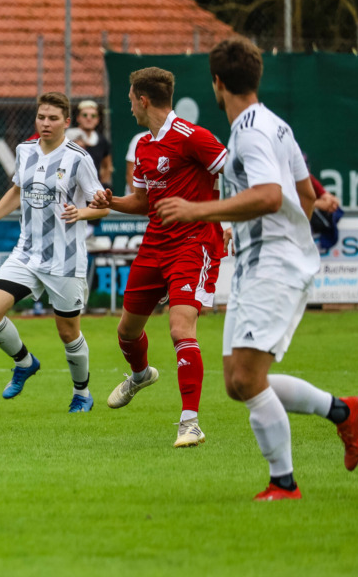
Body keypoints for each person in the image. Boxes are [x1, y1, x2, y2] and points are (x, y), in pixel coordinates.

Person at [153, 37, 358, 500]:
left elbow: (271, 195)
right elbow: (305, 196)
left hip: (271, 264)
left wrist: (198, 211)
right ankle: (343, 411)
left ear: (217, 83)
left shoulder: (250, 132)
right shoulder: (274, 124)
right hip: (260, 262)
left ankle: (283, 484)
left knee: (248, 378)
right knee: (238, 381)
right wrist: (284, 231)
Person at [88, 67, 228, 448]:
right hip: (154, 245)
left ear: (143, 99)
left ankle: (190, 422)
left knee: (181, 327)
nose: (128, 104)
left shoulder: (192, 137)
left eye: (130, 98)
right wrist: (110, 200)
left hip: (192, 243)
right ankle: (140, 375)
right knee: (126, 332)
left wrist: (226, 219)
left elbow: (235, 173)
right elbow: (144, 202)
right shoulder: (145, 145)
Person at [0, 92, 106, 412]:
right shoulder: (24, 150)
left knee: (68, 333)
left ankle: (82, 393)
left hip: (65, 258)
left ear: (66, 122)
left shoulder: (78, 158)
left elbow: (100, 207)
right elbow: (17, 190)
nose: (46, 123)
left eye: (53, 118)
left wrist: (82, 213)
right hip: (27, 253)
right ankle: (25, 362)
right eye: (41, 117)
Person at [65, 99, 113, 189]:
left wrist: (101, 186)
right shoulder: (67, 138)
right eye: (85, 115)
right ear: (78, 118)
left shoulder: (102, 141)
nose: (89, 118)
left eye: (93, 115)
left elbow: (107, 166)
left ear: (98, 119)